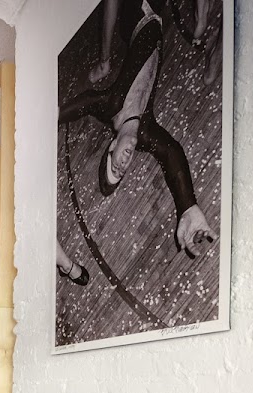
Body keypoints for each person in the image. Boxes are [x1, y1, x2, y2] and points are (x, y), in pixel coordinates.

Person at [59, 1, 216, 260]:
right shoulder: (146, 132)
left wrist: (46, 118)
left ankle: (104, 62)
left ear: (112, 147)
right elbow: (172, 153)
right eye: (123, 171)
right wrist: (188, 206)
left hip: (135, 14)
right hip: (157, 13)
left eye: (115, 165)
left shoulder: (111, 107)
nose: (124, 163)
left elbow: (84, 103)